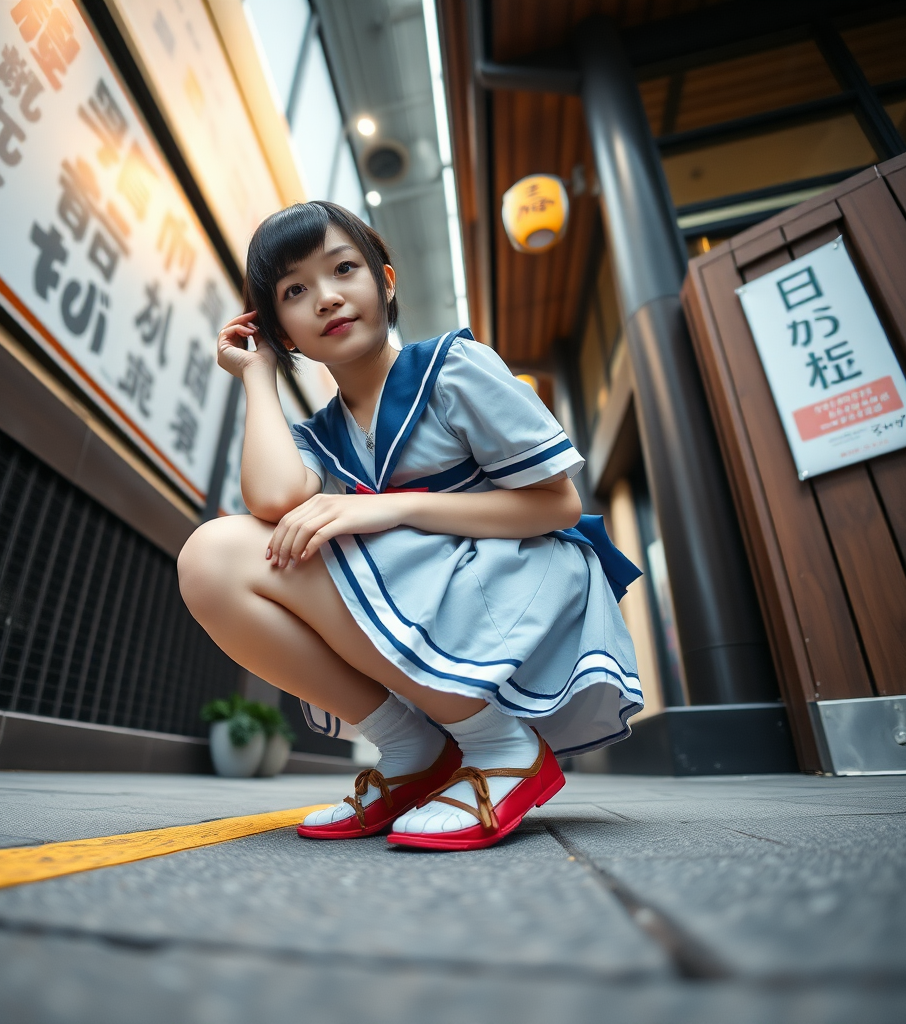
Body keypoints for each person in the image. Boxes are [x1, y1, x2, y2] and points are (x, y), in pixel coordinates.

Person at [177, 201, 642, 851]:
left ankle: (501, 746)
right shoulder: (321, 435)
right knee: (212, 558)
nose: (328, 298)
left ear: (385, 282)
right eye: (295, 290)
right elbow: (275, 499)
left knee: (301, 541)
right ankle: (411, 749)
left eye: (344, 270)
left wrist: (391, 506)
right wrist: (258, 376)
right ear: (278, 326)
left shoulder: (453, 367)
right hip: (433, 593)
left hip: (517, 579)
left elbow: (557, 506)